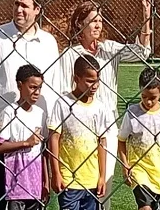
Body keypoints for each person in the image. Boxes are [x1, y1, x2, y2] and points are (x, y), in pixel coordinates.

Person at [58, 0, 152, 209]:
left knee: (104, 185)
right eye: (93, 21)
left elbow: (141, 53)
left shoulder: (109, 48)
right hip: (78, 127)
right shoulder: (70, 55)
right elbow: (63, 90)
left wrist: (146, 18)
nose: (98, 25)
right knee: (78, 183)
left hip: (106, 126)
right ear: (79, 24)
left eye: (100, 20)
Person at [0, 0, 61, 209]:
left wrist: (50, 131)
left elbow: (54, 88)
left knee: (33, 201)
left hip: (35, 140)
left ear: (37, 9)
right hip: (0, 137)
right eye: (16, 3)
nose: (19, 9)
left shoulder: (48, 43)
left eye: (25, 5)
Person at [48, 55, 112, 210]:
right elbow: (54, 138)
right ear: (76, 78)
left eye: (97, 81)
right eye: (90, 81)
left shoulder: (100, 107)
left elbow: (102, 142)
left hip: (91, 179)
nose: (95, 86)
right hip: (69, 179)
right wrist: (56, 173)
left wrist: (102, 176)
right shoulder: (63, 103)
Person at [117, 67, 160, 210]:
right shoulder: (132, 113)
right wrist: (125, 166)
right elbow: (121, 140)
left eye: (152, 98)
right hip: (138, 170)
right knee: (145, 207)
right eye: (144, 96)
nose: (148, 102)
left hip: (159, 172)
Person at [0, 64, 50, 210]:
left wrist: (46, 181)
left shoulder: (40, 114)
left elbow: (43, 150)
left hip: (35, 185)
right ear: (20, 86)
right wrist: (26, 143)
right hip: (15, 186)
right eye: (32, 87)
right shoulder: (9, 112)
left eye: (39, 88)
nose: (37, 92)